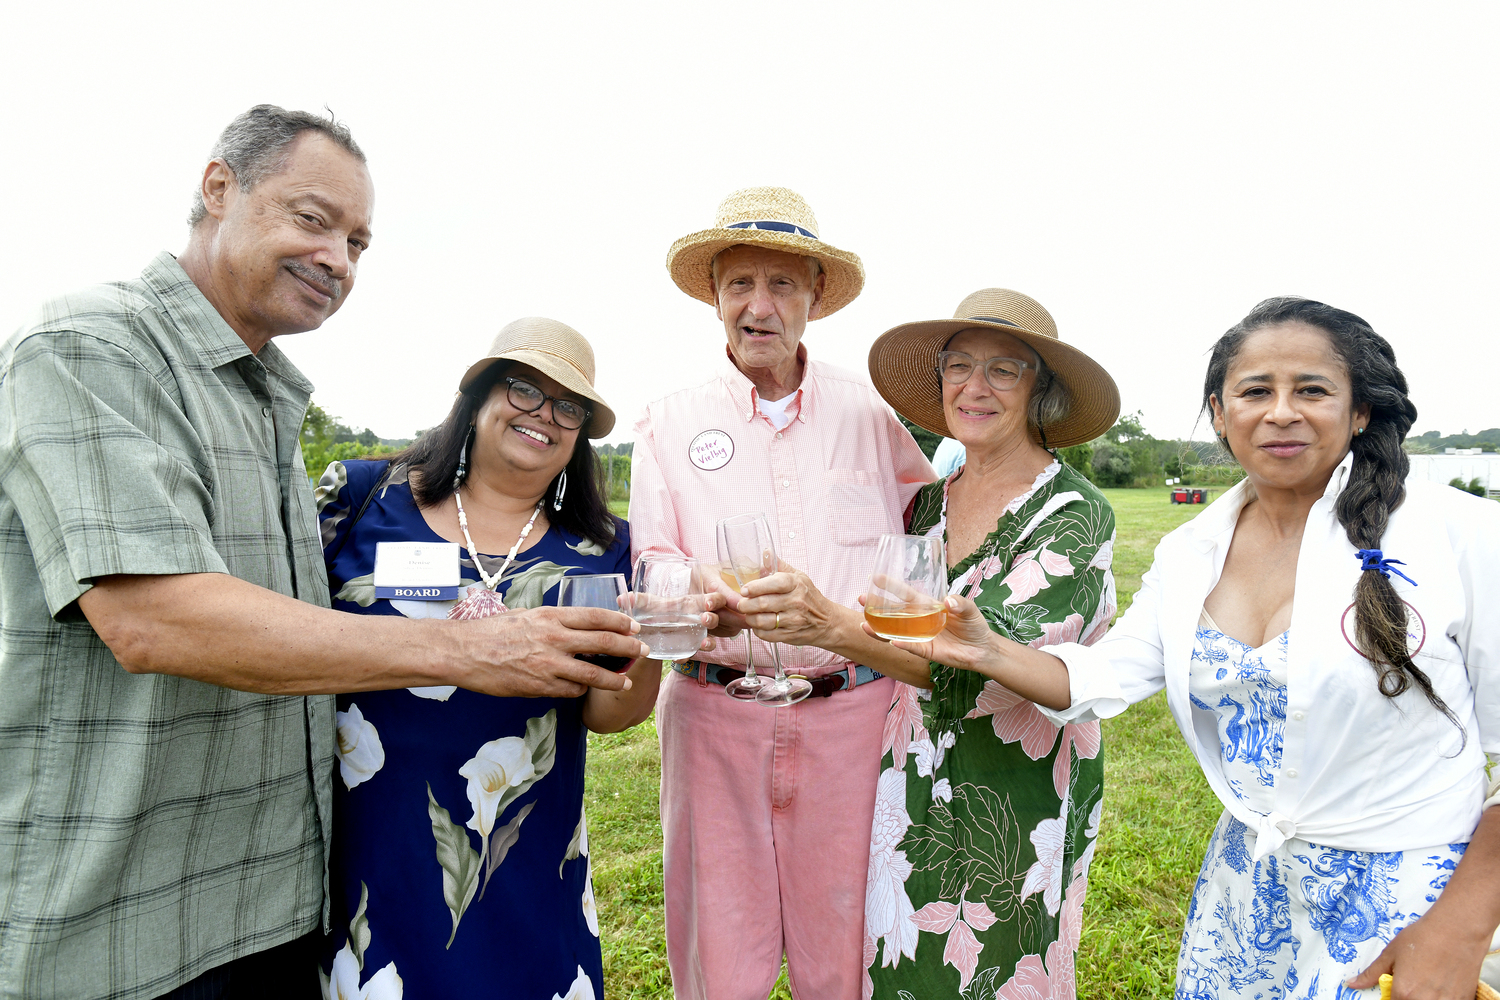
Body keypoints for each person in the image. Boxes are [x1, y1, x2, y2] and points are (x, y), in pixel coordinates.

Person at [0, 106, 643, 1000]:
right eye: (314, 220)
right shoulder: (93, 347)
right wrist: (471, 647)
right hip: (122, 918)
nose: (339, 259)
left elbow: (618, 704)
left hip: (271, 907)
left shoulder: (265, 399)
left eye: (358, 241)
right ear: (218, 186)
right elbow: (150, 618)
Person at [882, 298, 1500, 999]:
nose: (1281, 412)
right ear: (1219, 412)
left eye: (1313, 390)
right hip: (1244, 896)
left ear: (1360, 411)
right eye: (1256, 391)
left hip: (1413, 903)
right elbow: (1103, 674)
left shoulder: (1457, 534)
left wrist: (1460, 926)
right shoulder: (1191, 552)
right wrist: (987, 649)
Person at [740, 288, 1121, 998]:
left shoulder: (1074, 515)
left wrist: (830, 627)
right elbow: (893, 627)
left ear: (1040, 391)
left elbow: (990, 673)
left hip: (1015, 794)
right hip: (910, 773)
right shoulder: (927, 503)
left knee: (996, 972)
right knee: (905, 965)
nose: (974, 388)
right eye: (959, 366)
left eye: (1004, 370)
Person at [629, 186, 934, 1000]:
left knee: (848, 954)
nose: (758, 307)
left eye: (782, 285)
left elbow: (924, 533)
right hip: (714, 713)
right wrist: (693, 588)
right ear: (715, 296)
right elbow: (650, 562)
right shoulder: (666, 421)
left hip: (853, 714)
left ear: (816, 297)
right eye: (739, 285)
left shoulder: (874, 414)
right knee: (718, 962)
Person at [314, 317, 676, 999]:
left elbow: (608, 713)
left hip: (526, 865)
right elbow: (285, 633)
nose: (544, 415)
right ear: (478, 397)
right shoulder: (362, 500)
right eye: (523, 389)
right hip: (369, 855)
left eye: (568, 406)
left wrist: (652, 639)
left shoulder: (606, 551)